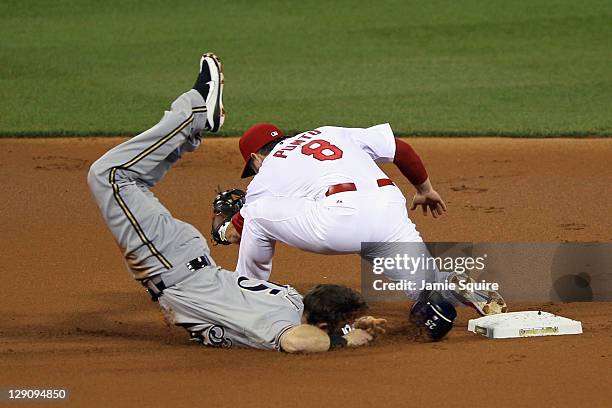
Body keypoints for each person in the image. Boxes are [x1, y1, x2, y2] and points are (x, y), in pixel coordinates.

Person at [87, 53, 385, 352]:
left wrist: (348, 323)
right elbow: (297, 342)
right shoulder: (282, 318)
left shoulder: (292, 298)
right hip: (171, 265)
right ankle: (194, 113)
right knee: (111, 176)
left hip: (184, 262)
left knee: (130, 180)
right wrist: (345, 338)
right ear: (321, 326)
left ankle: (191, 133)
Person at [215, 123, 506, 316]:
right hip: (389, 209)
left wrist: (223, 231)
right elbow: (400, 149)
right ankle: (452, 284)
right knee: (424, 288)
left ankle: (247, 299)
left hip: (340, 221)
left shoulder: (267, 172)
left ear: (255, 157)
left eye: (252, 167)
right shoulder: (330, 132)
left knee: (255, 212)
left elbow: (244, 224)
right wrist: (425, 190)